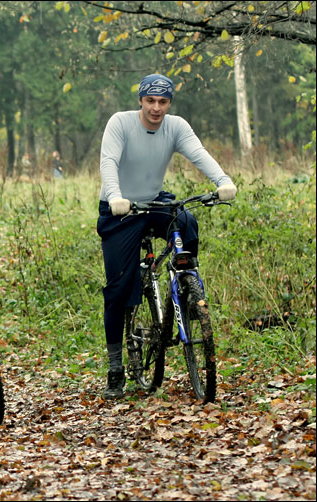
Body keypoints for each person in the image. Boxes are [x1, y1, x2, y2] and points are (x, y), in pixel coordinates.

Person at [97, 74, 237, 399]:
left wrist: (223, 181)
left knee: (186, 220)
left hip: (154, 200)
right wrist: (116, 196)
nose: (156, 108)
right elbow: (109, 161)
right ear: (141, 101)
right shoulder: (120, 123)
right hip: (121, 209)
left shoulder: (175, 126)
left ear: (169, 103)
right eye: (150, 101)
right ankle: (116, 368)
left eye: (162, 102)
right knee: (118, 289)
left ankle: (188, 287)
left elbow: (198, 153)